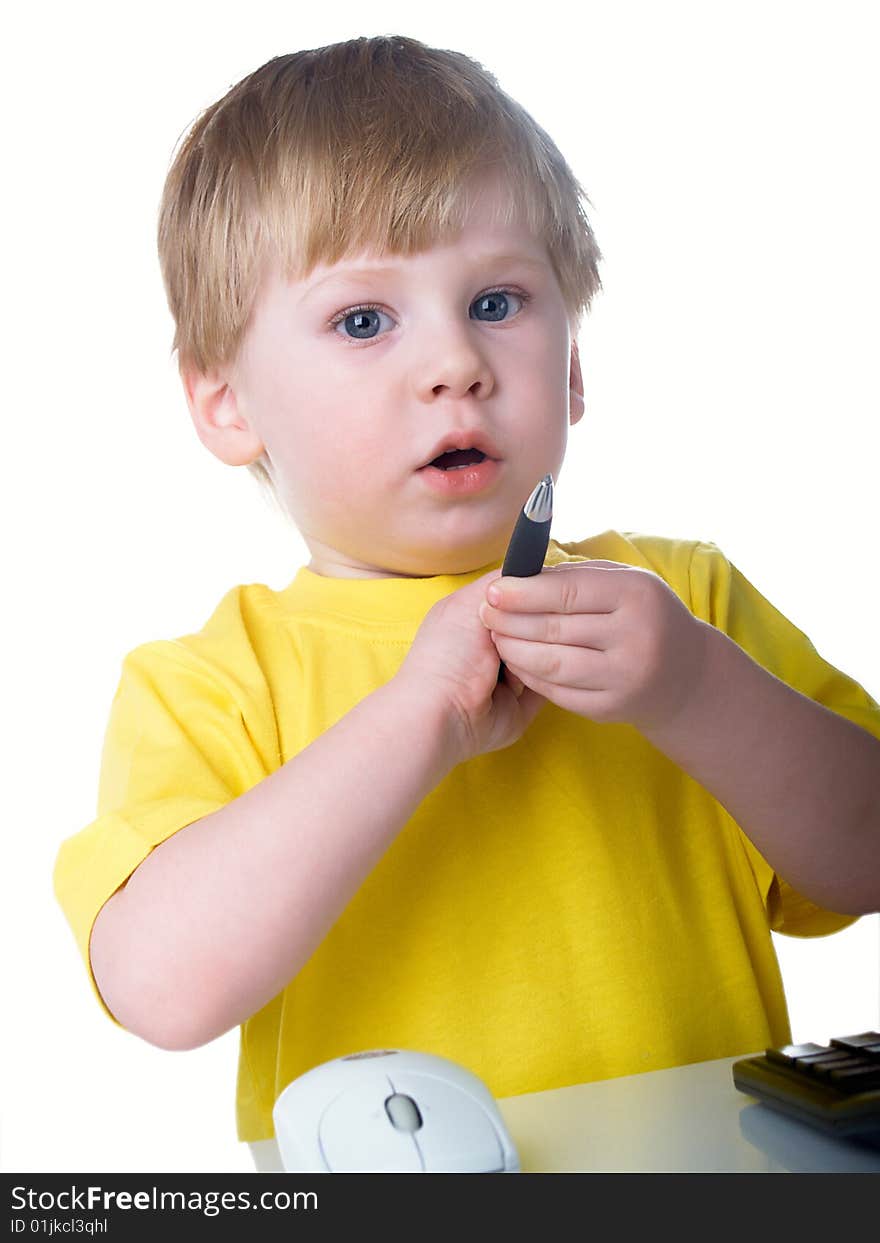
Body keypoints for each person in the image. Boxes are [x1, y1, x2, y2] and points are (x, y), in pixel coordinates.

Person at [53, 35, 880, 1167]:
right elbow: (161, 989)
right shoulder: (215, 678)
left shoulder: (681, 607)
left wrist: (694, 689)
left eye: (497, 300)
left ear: (573, 365)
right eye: (362, 320)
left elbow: (864, 858)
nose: (455, 361)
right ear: (226, 403)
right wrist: (417, 716)